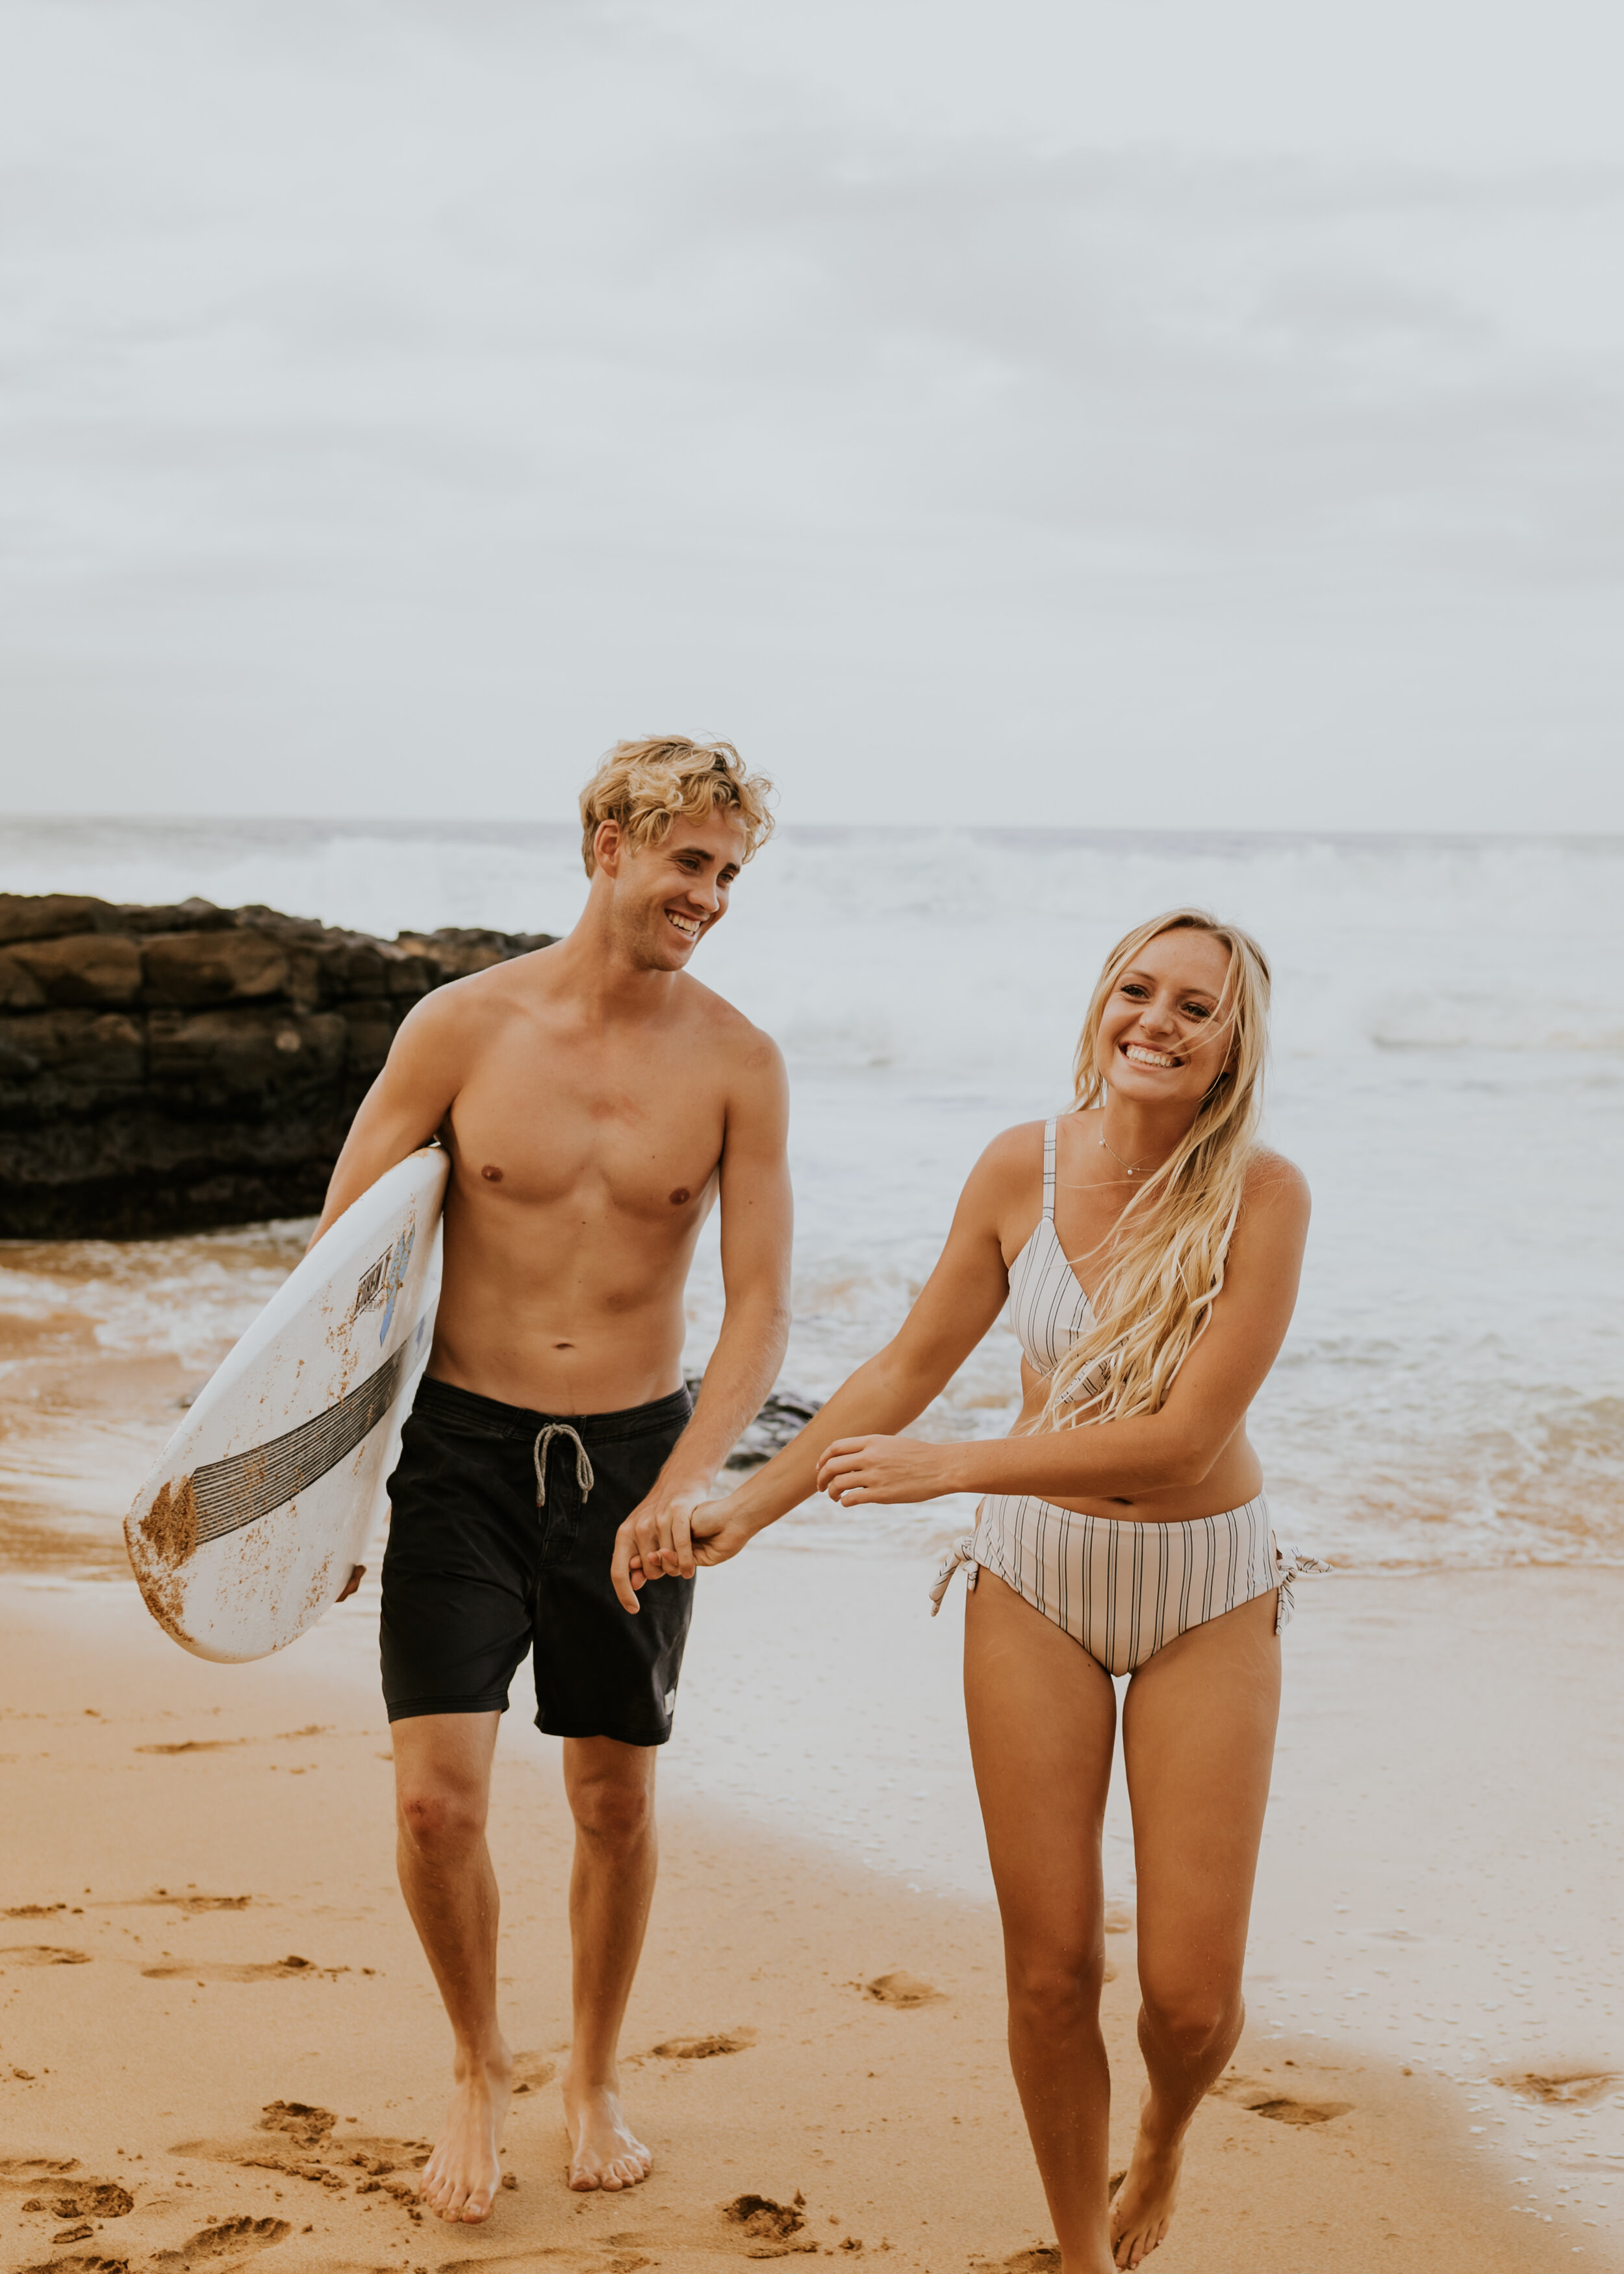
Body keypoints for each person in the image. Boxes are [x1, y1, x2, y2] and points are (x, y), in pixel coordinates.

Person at [617, 908, 1315, 2274]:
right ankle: (1079, 2255)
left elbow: (1177, 1435)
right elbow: (898, 1368)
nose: (1156, 1024)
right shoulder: (1017, 1166)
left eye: (1195, 1008)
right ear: (1098, 1004)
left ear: (1234, 1046)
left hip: (1204, 1589)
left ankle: (1163, 2134)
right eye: (1137, 991)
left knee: (1186, 1999)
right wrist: (746, 1507)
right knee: (1051, 1968)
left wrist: (955, 1468)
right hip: (1034, 1585)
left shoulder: (1263, 1193)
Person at [309, 737, 792, 2223]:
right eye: (686, 861)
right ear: (604, 840)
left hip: (636, 1464)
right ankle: (476, 2065)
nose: (707, 894)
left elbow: (761, 1305)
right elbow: (347, 1277)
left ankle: (590, 2074)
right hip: (460, 1457)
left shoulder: (735, 1060)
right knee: (435, 1809)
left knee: (610, 1800)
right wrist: (320, 1497)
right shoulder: (459, 1030)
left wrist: (692, 1480)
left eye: (726, 871)